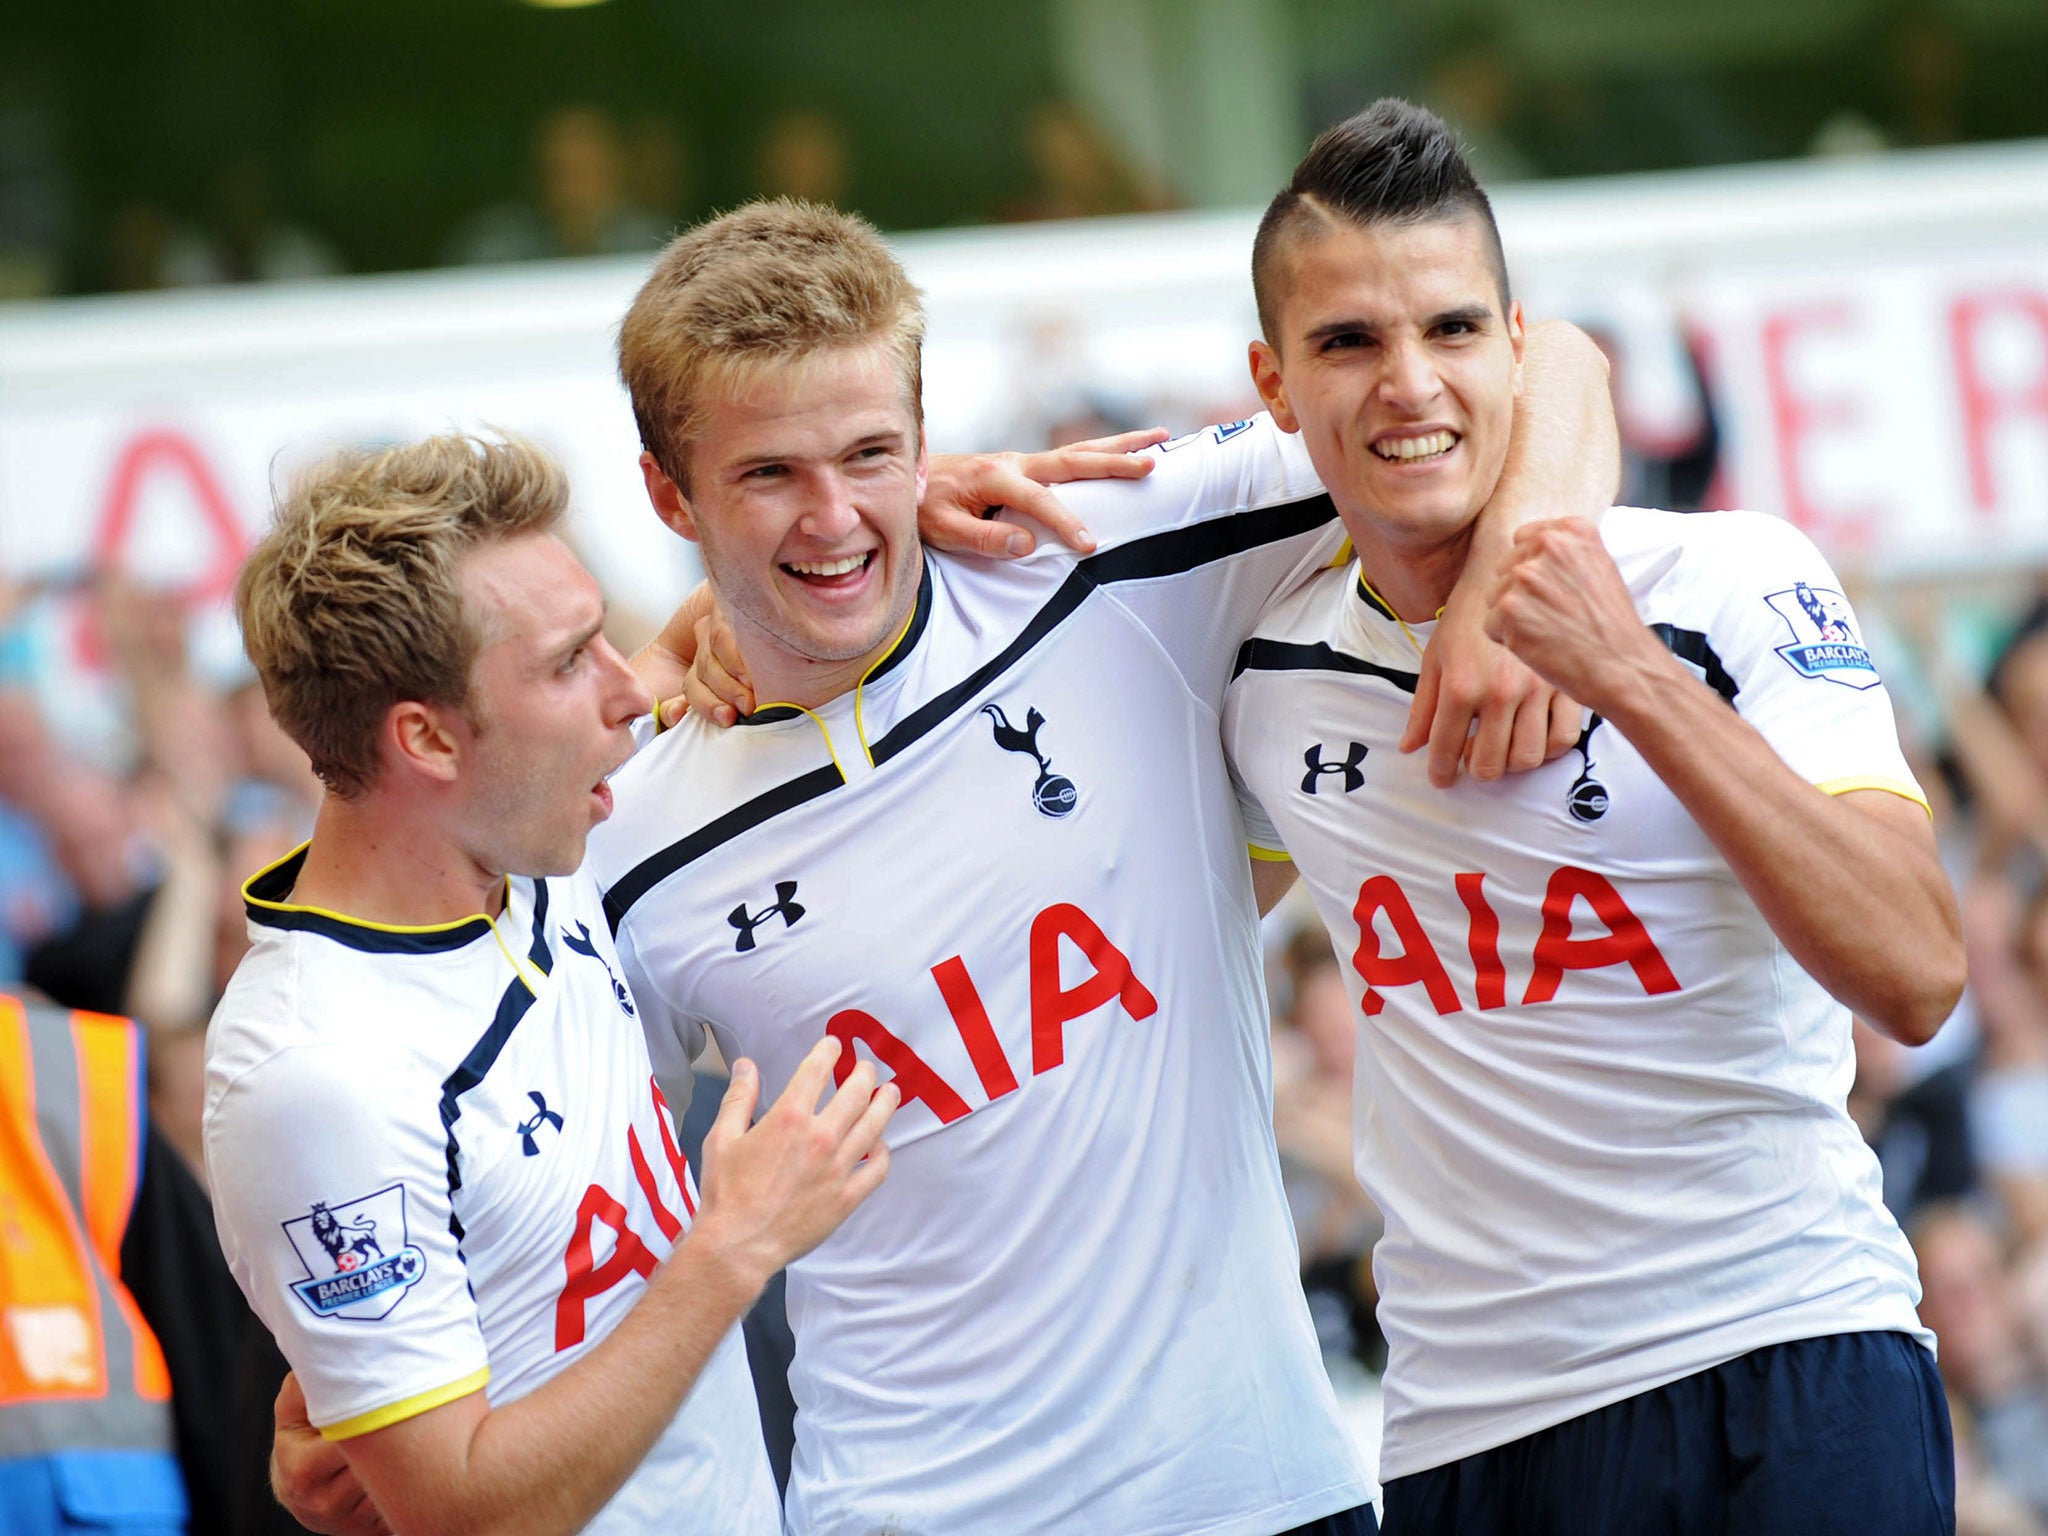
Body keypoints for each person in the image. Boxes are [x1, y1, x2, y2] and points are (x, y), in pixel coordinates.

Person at [573, 197, 1616, 1536]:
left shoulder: (1103, 552)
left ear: (929, 438)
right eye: (769, 474)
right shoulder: (626, 840)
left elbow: (1551, 371)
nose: (832, 518)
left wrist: (1519, 589)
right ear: (668, 493)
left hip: (1263, 1496)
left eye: (871, 454)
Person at [1220, 99, 1966, 1534]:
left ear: (1517, 342)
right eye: (1349, 343)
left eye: (1449, 331)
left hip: (1789, 1349)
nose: (1407, 385)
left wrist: (1624, 671)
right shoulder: (1262, 674)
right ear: (1272, 381)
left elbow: (1918, 970)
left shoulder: (1730, 575)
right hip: (1475, 1430)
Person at [203, 434, 898, 1536]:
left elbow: (684, 648)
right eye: (573, 661)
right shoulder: (316, 1074)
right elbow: (463, 1513)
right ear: (427, 738)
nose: (628, 689)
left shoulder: (530, 849)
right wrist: (732, 1249)